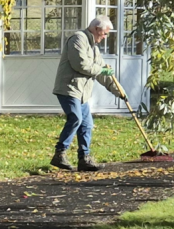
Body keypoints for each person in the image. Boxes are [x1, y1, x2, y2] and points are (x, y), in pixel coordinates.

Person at [50, 15, 124, 172]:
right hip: (69, 88)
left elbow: (103, 73)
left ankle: (84, 159)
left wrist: (120, 93)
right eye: (105, 33)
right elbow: (81, 65)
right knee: (76, 118)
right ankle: (59, 154)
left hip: (82, 93)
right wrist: (101, 70)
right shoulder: (78, 39)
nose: (105, 37)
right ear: (97, 29)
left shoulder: (94, 48)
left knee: (87, 124)